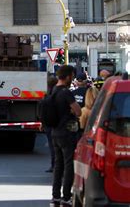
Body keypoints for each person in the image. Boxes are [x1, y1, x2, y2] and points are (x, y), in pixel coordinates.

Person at [50, 65, 82, 207]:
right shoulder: (66, 92)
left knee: (58, 165)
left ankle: (55, 196)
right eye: (72, 76)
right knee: (69, 165)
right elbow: (79, 111)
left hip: (54, 132)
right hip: (67, 133)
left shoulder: (53, 91)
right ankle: (66, 197)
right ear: (68, 76)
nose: (73, 79)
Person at [44, 75, 58, 173]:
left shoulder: (47, 96)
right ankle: (56, 165)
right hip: (57, 124)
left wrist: (42, 122)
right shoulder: (58, 94)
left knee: (52, 146)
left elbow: (42, 110)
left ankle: (54, 165)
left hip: (49, 124)